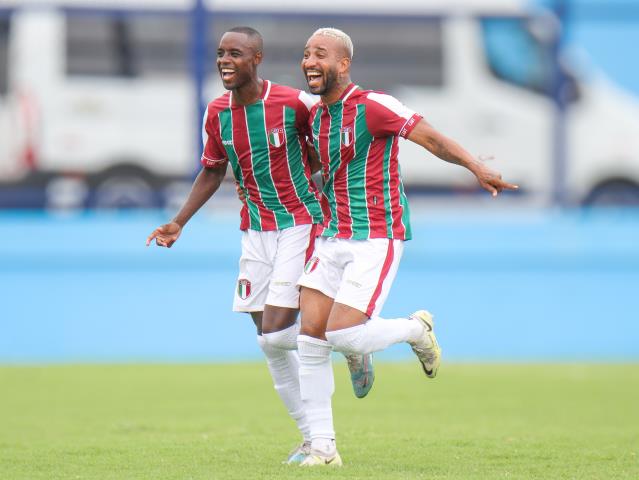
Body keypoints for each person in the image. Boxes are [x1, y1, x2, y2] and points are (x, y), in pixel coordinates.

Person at [145, 26, 374, 465]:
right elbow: (212, 170)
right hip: (254, 231)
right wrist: (178, 221)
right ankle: (315, 430)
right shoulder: (216, 113)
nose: (225, 61)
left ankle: (341, 367)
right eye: (219, 54)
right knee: (266, 336)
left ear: (257, 59)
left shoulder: (292, 104)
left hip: (299, 222)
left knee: (274, 337)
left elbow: (325, 143)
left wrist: (341, 196)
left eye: (235, 53)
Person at [295, 27, 519, 466]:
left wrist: (475, 166)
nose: (309, 62)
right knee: (311, 339)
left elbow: (431, 138)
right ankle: (323, 450)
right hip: (333, 234)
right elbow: (322, 165)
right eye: (305, 54)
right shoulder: (317, 116)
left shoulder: (375, 106)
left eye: (320, 54)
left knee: (341, 333)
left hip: (375, 236)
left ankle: (417, 330)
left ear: (343, 64)